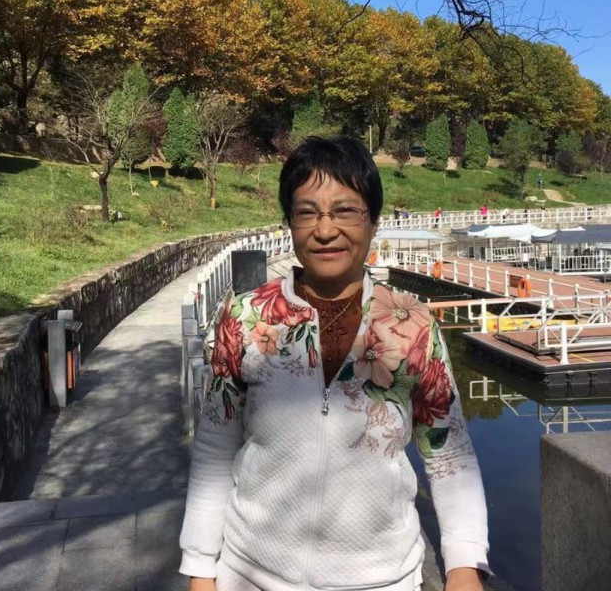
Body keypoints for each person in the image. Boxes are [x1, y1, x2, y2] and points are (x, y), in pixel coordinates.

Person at [180, 137, 490, 591]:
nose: (325, 231)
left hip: (384, 580)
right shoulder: (245, 317)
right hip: (250, 574)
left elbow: (449, 453)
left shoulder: (413, 325)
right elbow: (215, 445)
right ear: (289, 222)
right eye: (307, 212)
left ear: (373, 220)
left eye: (345, 210)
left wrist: (464, 564)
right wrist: (200, 567)